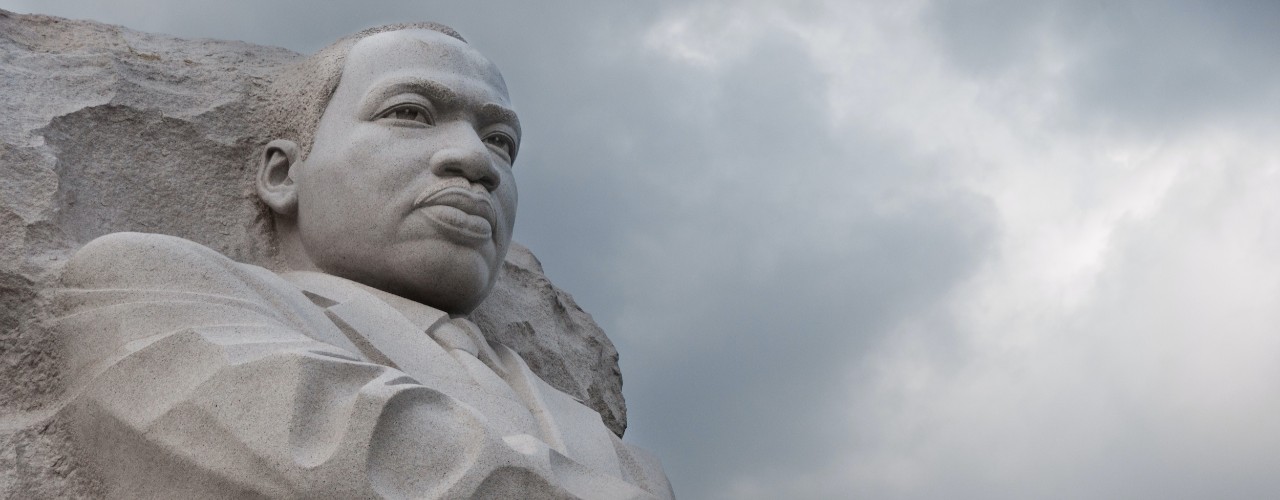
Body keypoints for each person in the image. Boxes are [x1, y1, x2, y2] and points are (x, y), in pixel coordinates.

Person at [56, 23, 672, 499]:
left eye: (500, 142)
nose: (477, 161)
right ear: (282, 173)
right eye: (409, 113)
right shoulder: (149, 287)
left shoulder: (615, 452)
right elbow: (333, 456)